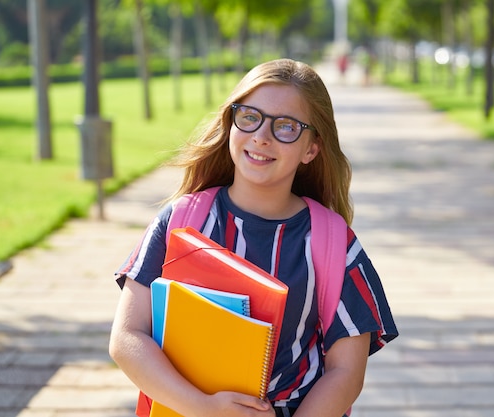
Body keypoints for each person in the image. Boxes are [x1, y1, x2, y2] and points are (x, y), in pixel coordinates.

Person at [109, 58, 398, 417]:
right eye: (250, 117)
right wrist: (204, 407)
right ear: (232, 122)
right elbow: (127, 338)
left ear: (311, 148)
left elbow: (347, 372)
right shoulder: (181, 220)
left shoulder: (333, 242)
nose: (262, 135)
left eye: (287, 127)